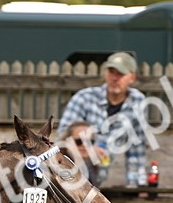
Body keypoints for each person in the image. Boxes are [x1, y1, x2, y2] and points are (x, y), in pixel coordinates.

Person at [57, 52, 150, 187]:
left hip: (98, 180)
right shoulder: (84, 98)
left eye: (120, 74)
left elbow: (137, 149)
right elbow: (63, 138)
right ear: (105, 74)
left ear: (132, 77)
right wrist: (90, 148)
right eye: (111, 72)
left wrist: (137, 184)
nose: (114, 78)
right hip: (67, 173)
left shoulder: (138, 102)